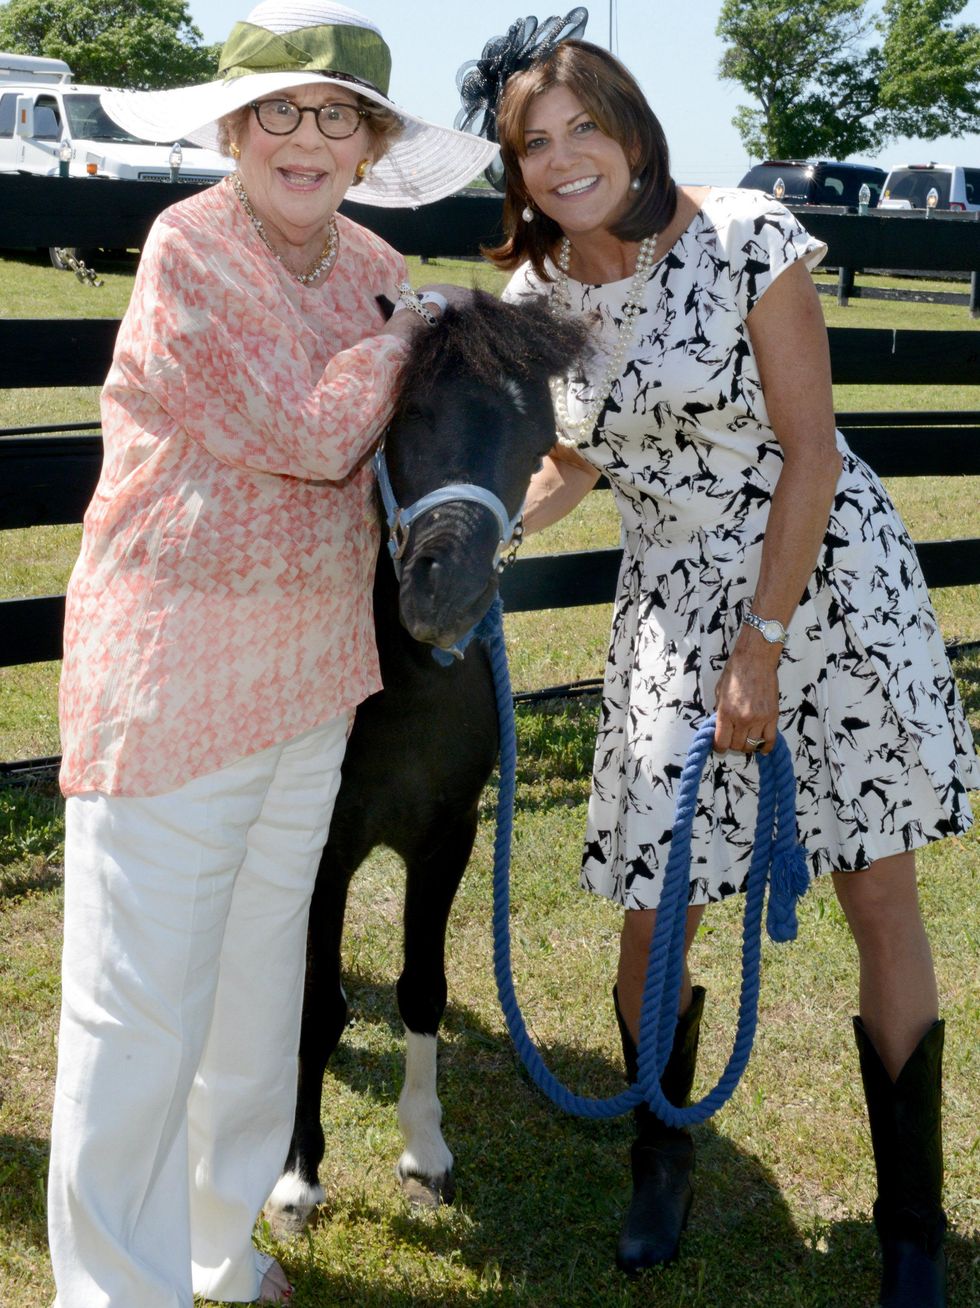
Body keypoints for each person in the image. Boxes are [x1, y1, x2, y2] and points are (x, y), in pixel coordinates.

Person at [467, 27, 979, 1308]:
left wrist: (760, 643)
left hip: (820, 587)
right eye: (537, 142)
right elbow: (579, 457)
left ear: (632, 128)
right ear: (515, 169)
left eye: (584, 126)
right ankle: (660, 1152)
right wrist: (500, 525)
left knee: (876, 894)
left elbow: (808, 448)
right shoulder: (538, 302)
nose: (564, 157)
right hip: (668, 611)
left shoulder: (745, 235)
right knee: (657, 904)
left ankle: (909, 1222)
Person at [48, 3, 496, 1305]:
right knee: (138, 1019)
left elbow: (412, 455)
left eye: (336, 114)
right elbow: (309, 431)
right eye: (281, 111)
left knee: (254, 1000)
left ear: (368, 142)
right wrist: (418, 332)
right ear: (237, 129)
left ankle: (220, 1251)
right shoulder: (190, 249)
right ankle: (114, 1292)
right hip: (173, 682)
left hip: (313, 688)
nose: (306, 135)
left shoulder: (371, 262)